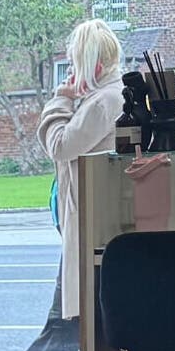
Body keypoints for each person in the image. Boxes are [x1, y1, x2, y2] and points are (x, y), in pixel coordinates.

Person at [38, 18, 127, 321]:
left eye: (76, 63)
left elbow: (61, 146)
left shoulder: (102, 101)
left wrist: (60, 99)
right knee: (69, 316)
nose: (73, 72)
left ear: (93, 66)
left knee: (67, 317)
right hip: (83, 219)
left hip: (88, 222)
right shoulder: (107, 96)